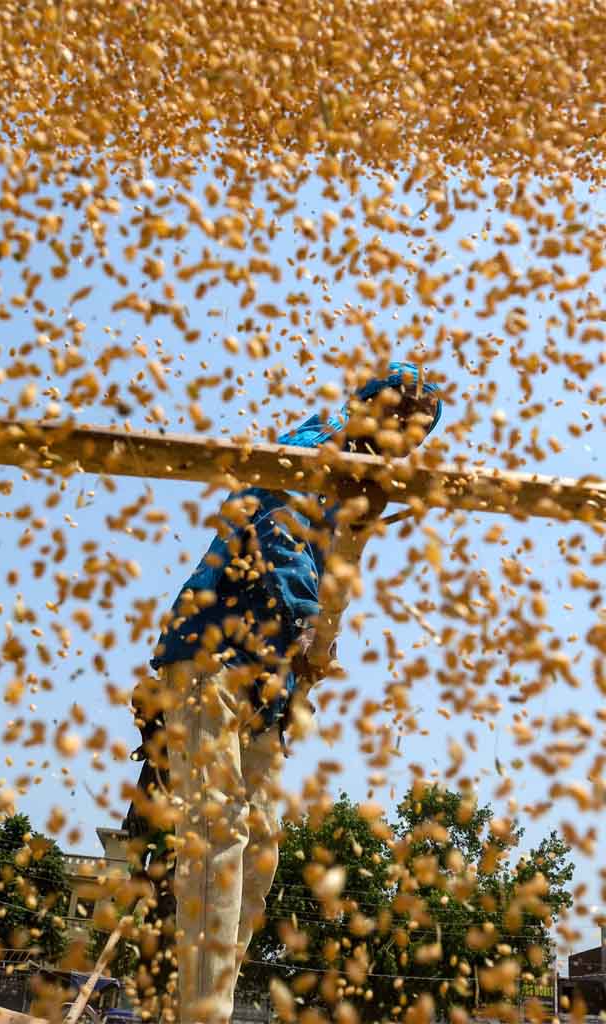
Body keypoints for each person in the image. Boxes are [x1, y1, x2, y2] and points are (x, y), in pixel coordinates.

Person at [132, 363, 442, 1024]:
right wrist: (307, 619)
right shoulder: (315, 444)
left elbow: (338, 575)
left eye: (413, 440)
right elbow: (281, 535)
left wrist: (321, 648)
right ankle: (204, 1014)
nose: (402, 448)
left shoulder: (360, 488)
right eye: (399, 427)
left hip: (267, 685)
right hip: (209, 654)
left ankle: (208, 990)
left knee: (263, 843)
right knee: (218, 827)